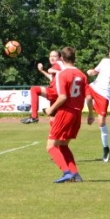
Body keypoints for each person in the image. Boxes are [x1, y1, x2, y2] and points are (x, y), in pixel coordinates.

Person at [44, 46, 89, 183]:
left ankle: (66, 172)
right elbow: (88, 96)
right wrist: (91, 114)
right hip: (77, 114)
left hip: (66, 112)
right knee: (63, 145)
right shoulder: (82, 75)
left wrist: (51, 109)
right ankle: (75, 174)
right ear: (75, 58)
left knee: (51, 146)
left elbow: (63, 97)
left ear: (62, 58)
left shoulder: (62, 74)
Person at [85, 44, 110, 162]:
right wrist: (91, 72)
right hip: (94, 87)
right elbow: (95, 71)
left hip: (104, 94)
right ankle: (91, 114)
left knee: (101, 122)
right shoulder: (104, 61)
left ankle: (106, 148)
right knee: (87, 96)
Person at [20, 49, 66, 124]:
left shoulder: (58, 63)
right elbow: (51, 77)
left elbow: (50, 70)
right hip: (58, 94)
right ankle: (54, 132)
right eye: (50, 56)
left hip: (55, 92)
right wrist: (42, 71)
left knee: (34, 89)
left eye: (54, 56)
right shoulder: (60, 66)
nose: (52, 58)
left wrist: (51, 70)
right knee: (53, 118)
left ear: (60, 58)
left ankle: (34, 116)